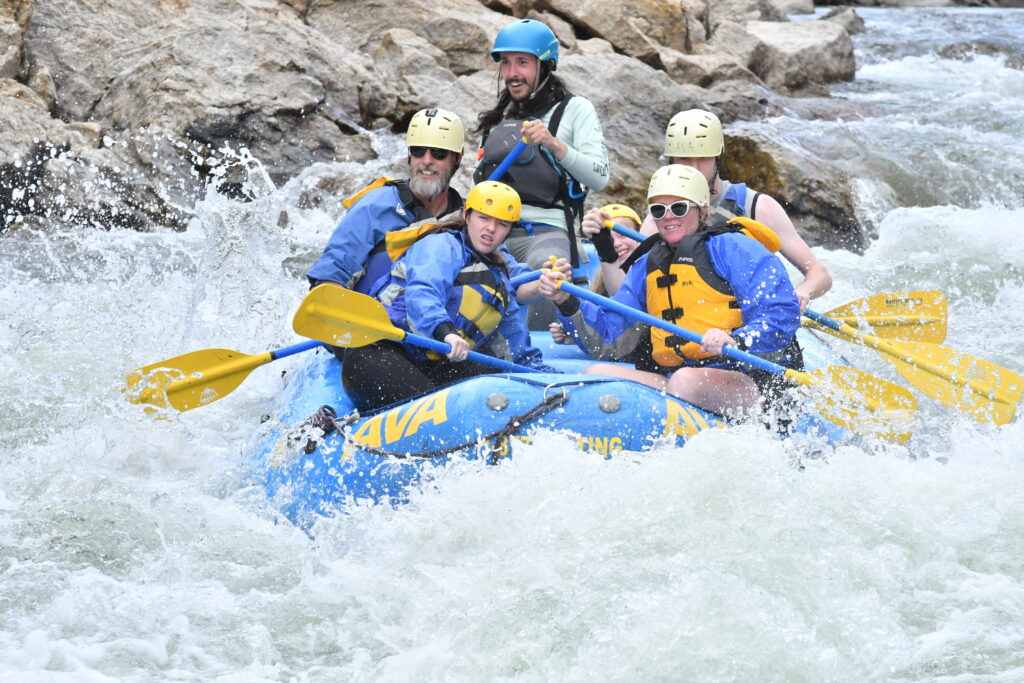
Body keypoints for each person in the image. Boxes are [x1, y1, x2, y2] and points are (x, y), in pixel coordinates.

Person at [537, 165, 802, 418]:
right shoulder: (647, 265)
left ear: (702, 210)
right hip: (676, 377)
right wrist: (566, 301)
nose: (668, 217)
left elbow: (779, 312)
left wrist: (738, 340)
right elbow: (611, 337)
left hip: (748, 380)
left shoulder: (735, 248)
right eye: (658, 210)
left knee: (685, 382)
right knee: (597, 372)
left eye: (678, 207)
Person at [343, 181, 558, 412]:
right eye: (483, 218)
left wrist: (552, 382)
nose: (491, 229)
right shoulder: (441, 245)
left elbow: (516, 346)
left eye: (501, 224)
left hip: (434, 364)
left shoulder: (499, 280)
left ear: (509, 230)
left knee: (495, 377)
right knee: (435, 408)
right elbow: (423, 293)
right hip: (380, 354)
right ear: (467, 215)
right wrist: (446, 333)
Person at [474, 18, 610, 327]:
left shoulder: (576, 110)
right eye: (506, 63)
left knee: (549, 272)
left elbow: (600, 176)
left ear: (545, 65)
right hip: (495, 231)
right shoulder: (499, 118)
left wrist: (553, 144)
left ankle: (545, 346)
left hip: (547, 232)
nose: (511, 73)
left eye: (522, 62)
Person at [649, 109, 832, 312]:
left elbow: (819, 274)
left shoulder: (758, 207)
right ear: (671, 161)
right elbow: (630, 285)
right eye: (684, 160)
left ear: (717, 158)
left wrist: (802, 292)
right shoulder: (662, 217)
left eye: (703, 158)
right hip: (689, 323)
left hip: (743, 324)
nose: (695, 168)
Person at [549, 203, 641, 342]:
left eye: (622, 235)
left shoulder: (652, 270)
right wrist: (573, 332)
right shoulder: (600, 283)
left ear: (639, 236)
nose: (615, 243)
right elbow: (603, 329)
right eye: (608, 238)